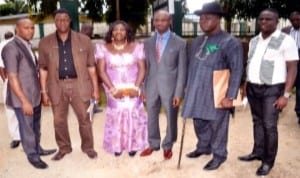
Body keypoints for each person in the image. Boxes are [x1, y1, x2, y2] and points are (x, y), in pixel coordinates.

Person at [181, 2, 243, 171]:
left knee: (217, 125)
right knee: (199, 121)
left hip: (217, 90)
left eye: (208, 17)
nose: (203, 21)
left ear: (218, 19)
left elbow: (237, 70)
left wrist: (230, 96)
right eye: (201, 18)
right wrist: (187, 85)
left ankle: (219, 155)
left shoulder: (230, 42)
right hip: (196, 88)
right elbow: (190, 65)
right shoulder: (196, 41)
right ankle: (203, 147)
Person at [238, 8, 299, 176]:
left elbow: (293, 68)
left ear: (277, 21)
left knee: (269, 125)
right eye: (261, 19)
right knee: (257, 121)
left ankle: (268, 161)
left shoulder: (285, 40)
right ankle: (257, 152)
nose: (264, 22)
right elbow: (249, 65)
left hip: (272, 89)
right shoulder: (254, 41)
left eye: (268, 19)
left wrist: (285, 95)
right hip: (253, 88)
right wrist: (245, 89)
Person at [38, 9, 99, 161]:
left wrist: (96, 89)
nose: (62, 22)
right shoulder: (45, 42)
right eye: (59, 19)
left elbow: (91, 66)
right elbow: (43, 69)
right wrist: (44, 92)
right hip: (57, 86)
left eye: (65, 19)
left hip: (80, 85)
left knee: (84, 118)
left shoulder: (84, 40)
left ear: (70, 20)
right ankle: (64, 148)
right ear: (55, 22)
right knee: (58, 120)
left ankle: (88, 147)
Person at [1, 18, 56, 169]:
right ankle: (32, 156)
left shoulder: (27, 45)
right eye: (26, 28)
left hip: (34, 96)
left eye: (32, 28)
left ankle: (37, 149)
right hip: (23, 98)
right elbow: (12, 77)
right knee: (27, 129)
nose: (30, 31)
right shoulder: (11, 48)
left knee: (35, 126)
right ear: (17, 29)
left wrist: (42, 93)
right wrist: (24, 101)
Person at [95, 20, 147, 157]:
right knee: (116, 113)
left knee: (132, 111)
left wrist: (136, 88)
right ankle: (116, 145)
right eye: (115, 29)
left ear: (127, 32)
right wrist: (112, 90)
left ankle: (133, 145)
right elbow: (101, 71)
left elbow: (142, 68)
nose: (119, 32)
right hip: (113, 87)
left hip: (133, 86)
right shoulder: (103, 48)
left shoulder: (137, 47)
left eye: (122, 29)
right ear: (111, 32)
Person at [140, 10, 187, 160]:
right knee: (151, 117)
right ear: (153, 22)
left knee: (171, 118)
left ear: (170, 21)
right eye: (156, 20)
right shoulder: (147, 43)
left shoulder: (180, 43)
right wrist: (143, 88)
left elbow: (182, 70)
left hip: (171, 89)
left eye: (163, 20)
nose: (159, 23)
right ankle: (153, 143)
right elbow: (145, 68)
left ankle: (168, 145)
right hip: (151, 87)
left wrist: (179, 93)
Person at [0, 31, 21, 149]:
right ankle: (19, 136)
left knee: (11, 110)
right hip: (15, 79)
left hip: (13, 79)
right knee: (14, 108)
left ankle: (17, 137)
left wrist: (5, 81)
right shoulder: (4, 46)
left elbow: (1, 68)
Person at [80, 22, 103, 114]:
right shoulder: (78, 40)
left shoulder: (89, 40)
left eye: (92, 30)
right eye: (90, 30)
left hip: (93, 68)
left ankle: (94, 106)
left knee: (94, 87)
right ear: (84, 29)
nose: (91, 32)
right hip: (83, 70)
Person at [282, 11, 300, 124]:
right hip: (288, 61)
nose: (295, 22)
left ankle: (299, 111)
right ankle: (277, 107)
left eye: (298, 19)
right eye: (293, 20)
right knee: (284, 85)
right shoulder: (285, 31)